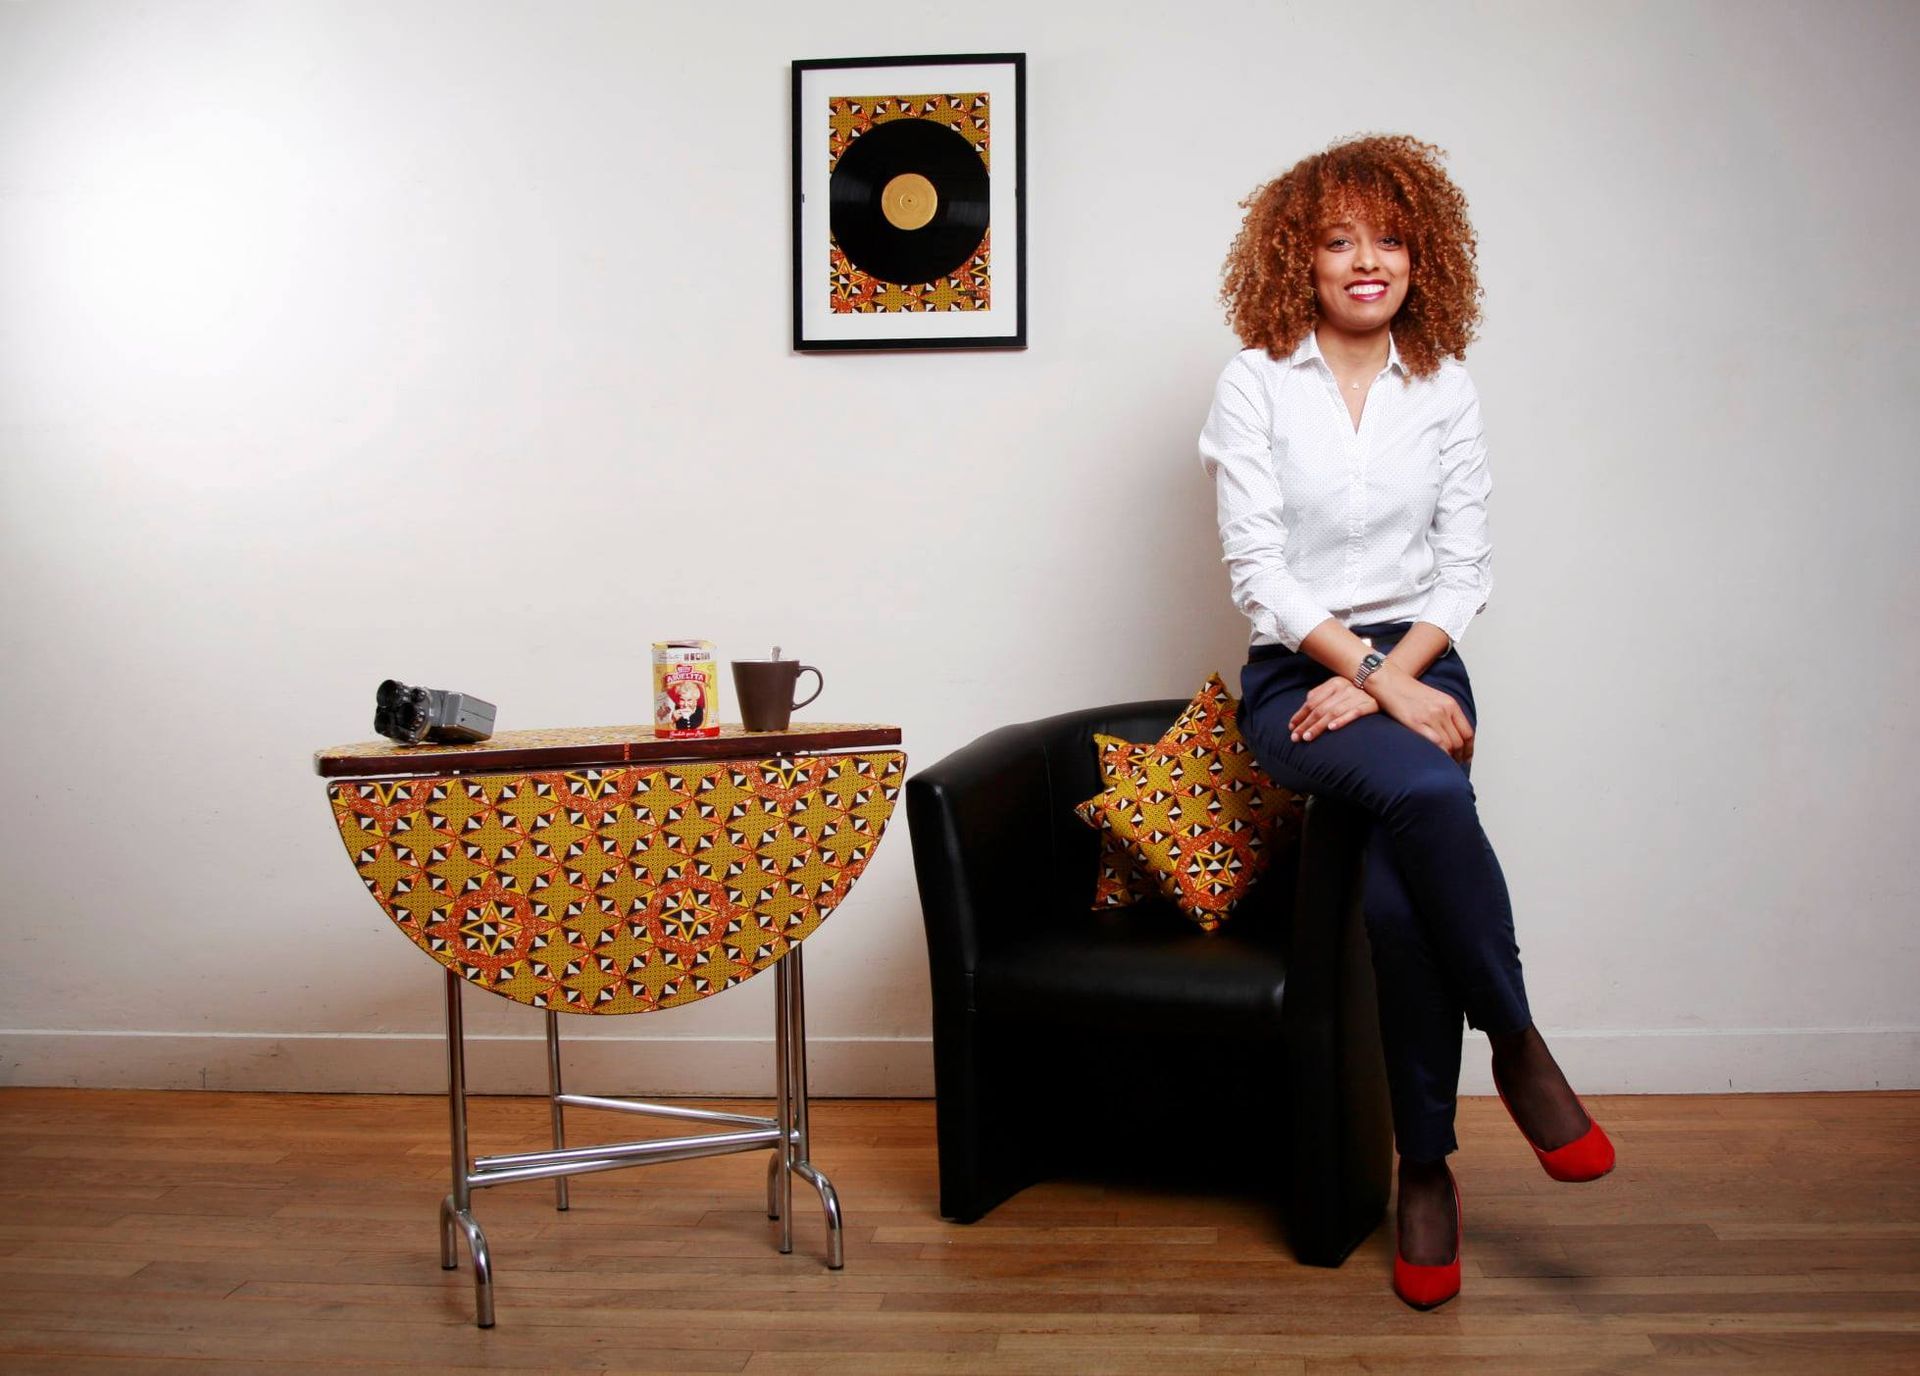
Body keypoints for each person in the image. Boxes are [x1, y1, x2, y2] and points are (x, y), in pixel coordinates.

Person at [1198, 133, 1615, 1310]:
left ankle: (1424, 1168)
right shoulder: (1255, 381)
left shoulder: (1447, 385)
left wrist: (1393, 674)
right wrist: (1368, 677)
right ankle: (1520, 1044)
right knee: (1432, 791)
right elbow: (1261, 574)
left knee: (1395, 902)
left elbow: (1466, 566)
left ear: (1421, 254)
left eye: (1387, 237)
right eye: (1338, 240)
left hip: (1424, 663)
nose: (1365, 261)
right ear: (1299, 257)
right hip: (1296, 677)